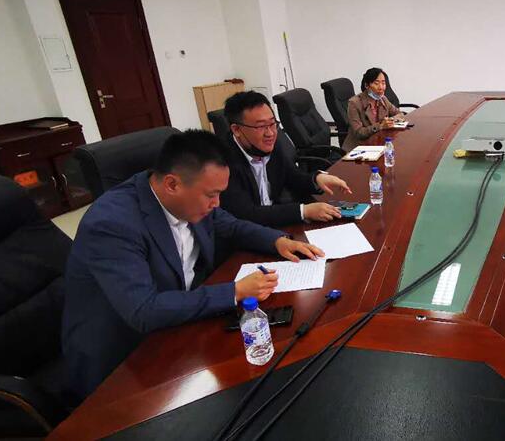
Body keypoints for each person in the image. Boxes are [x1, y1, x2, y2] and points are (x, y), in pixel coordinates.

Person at [62, 130, 324, 400]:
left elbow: (231, 225)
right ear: (172, 184)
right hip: (126, 362)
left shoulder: (189, 198)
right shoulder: (111, 224)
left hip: (182, 328)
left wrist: (277, 241)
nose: (217, 203)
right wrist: (234, 291)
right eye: (211, 195)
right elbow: (144, 310)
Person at [219, 91, 352, 226]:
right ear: (236, 130)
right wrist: (303, 211)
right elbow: (246, 214)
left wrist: (316, 179)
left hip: (277, 224)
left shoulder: (269, 145)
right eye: (261, 126)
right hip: (249, 231)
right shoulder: (222, 162)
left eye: (272, 123)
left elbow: (292, 176)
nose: (270, 133)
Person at [342, 67, 404, 151]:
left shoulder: (382, 99)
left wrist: (390, 120)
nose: (381, 87)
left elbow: (400, 114)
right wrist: (380, 126)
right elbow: (359, 133)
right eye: (376, 83)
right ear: (367, 85)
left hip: (378, 143)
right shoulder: (354, 103)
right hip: (359, 147)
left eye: (383, 83)